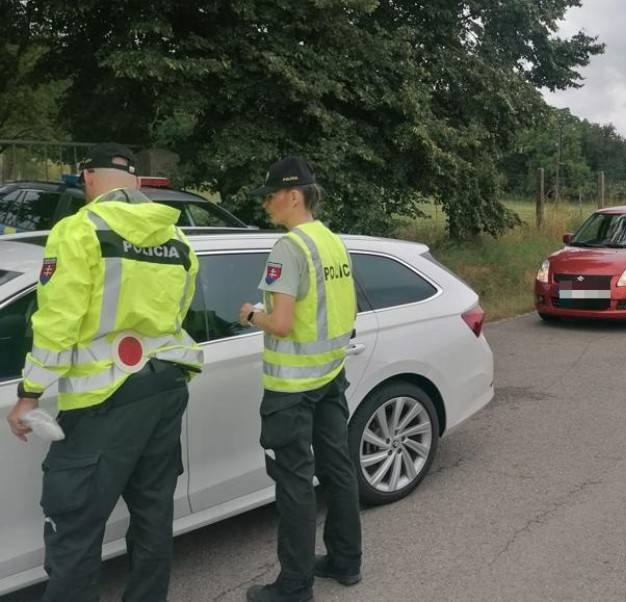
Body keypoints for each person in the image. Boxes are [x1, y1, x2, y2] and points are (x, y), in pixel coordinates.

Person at [4, 143, 203, 602]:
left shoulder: (78, 230)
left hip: (102, 404)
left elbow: (56, 323)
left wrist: (30, 393)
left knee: (73, 528)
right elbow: (180, 312)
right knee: (153, 517)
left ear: (87, 179)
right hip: (165, 388)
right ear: (135, 183)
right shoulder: (178, 240)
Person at [239, 156, 362, 602]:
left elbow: (283, 322)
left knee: (293, 482)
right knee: (337, 468)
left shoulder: (289, 247)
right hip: (330, 375)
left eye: (271, 196)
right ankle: (346, 562)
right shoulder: (331, 241)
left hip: (291, 388)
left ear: (293, 196)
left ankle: (294, 586)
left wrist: (254, 314)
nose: (267, 205)